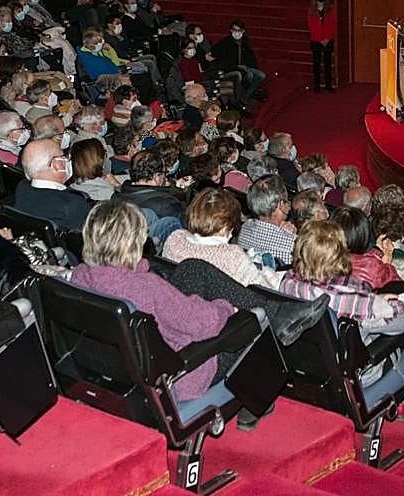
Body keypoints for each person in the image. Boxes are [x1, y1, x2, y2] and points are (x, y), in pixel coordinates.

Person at [69, 200, 251, 403]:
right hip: (180, 375)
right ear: (134, 241)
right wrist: (226, 307)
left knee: (194, 273)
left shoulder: (79, 276)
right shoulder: (146, 287)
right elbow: (206, 323)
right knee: (250, 326)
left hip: (116, 370)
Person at [281, 221, 404, 339]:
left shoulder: (287, 280)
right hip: (355, 358)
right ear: (340, 256)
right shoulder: (351, 300)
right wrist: (385, 302)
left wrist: (374, 298)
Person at [160, 188, 281, 288]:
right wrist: (268, 272)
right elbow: (265, 291)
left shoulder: (175, 239)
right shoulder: (233, 257)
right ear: (225, 226)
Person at [15, 138, 92, 231]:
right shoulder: (73, 204)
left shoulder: (22, 187)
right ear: (56, 164)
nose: (67, 160)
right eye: (63, 156)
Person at [111, 149, 184, 243]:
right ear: (156, 177)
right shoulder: (167, 205)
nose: (165, 177)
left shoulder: (117, 196)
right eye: (164, 173)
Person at [237, 174, 296, 266]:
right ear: (280, 205)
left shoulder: (244, 228)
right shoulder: (293, 245)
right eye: (287, 201)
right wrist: (293, 236)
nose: (288, 206)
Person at [211, 20, 265, 103]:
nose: (237, 33)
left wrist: (250, 67)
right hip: (232, 68)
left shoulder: (245, 42)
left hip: (245, 67)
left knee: (261, 75)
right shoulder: (225, 42)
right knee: (249, 76)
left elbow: (251, 57)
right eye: (234, 30)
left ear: (243, 31)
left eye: (239, 30)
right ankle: (241, 98)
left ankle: (246, 95)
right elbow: (216, 53)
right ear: (231, 30)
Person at [307, 0, 336, 93]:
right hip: (316, 40)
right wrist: (319, 39)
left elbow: (332, 24)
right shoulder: (311, 10)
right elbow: (311, 26)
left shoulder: (331, 9)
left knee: (327, 63)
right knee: (316, 64)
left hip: (328, 40)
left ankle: (328, 85)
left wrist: (327, 38)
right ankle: (317, 85)